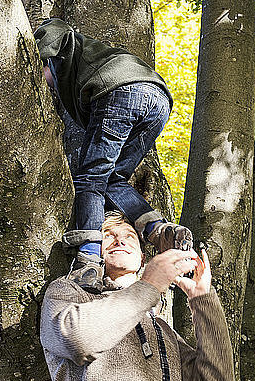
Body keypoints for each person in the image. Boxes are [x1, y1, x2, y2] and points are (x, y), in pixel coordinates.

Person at [34, 19, 193, 293]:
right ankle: (159, 230)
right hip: (159, 99)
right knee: (114, 179)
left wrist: (33, 55)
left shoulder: (66, 47)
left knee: (89, 179)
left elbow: (53, 32)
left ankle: (88, 258)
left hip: (120, 90)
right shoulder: (91, 64)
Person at [40, 211, 234, 381]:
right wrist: (149, 286)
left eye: (129, 236)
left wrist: (202, 301)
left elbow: (216, 379)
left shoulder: (162, 329)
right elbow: (78, 341)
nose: (120, 241)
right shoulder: (67, 291)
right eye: (107, 236)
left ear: (142, 257)